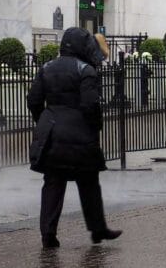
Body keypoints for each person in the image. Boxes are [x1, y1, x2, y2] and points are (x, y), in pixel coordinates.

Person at [27, 28, 121, 249]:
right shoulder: (86, 70)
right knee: (88, 183)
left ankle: (48, 234)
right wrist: (94, 126)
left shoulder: (46, 68)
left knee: (52, 185)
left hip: (52, 135)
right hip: (80, 135)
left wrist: (46, 120)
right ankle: (98, 229)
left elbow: (33, 100)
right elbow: (91, 104)